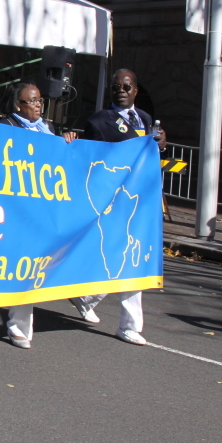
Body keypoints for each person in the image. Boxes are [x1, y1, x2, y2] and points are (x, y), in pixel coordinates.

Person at [65, 68, 167, 346]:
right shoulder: (99, 120)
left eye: (126, 86)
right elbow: (89, 158)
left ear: (135, 90)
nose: (120, 90)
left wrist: (162, 144)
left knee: (130, 256)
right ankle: (114, 314)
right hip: (111, 201)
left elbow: (151, 154)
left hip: (139, 201)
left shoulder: (146, 119)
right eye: (115, 87)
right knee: (119, 253)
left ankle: (116, 316)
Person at [0, 82, 55, 348]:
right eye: (32, 101)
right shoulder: (6, 127)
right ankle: (3, 310)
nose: (38, 105)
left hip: (40, 209)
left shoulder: (48, 129)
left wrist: (68, 142)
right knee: (12, 263)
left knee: (30, 265)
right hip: (13, 209)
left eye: (40, 100)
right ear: (19, 105)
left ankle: (16, 323)